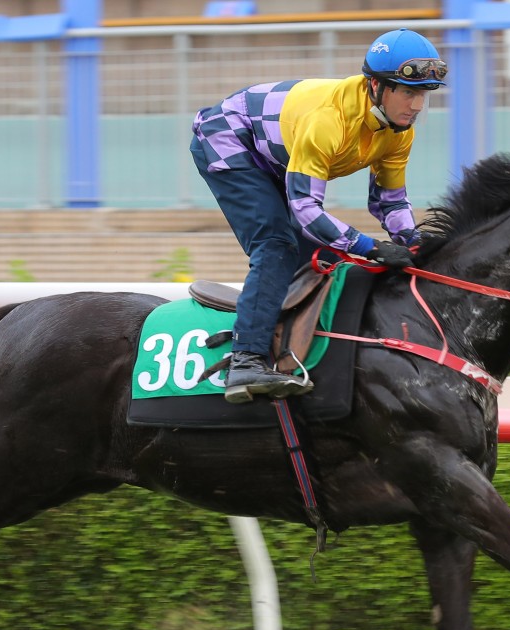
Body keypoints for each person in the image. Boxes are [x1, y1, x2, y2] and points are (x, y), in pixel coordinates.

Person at [190, 28, 447, 403]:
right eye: (409, 92)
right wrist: (371, 247)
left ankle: (297, 355)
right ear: (376, 86)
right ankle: (246, 360)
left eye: (424, 94)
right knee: (276, 245)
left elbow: (389, 202)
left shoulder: (400, 132)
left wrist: (414, 242)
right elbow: (306, 210)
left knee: (325, 257)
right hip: (228, 137)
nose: (417, 105)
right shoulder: (330, 120)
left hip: (275, 152)